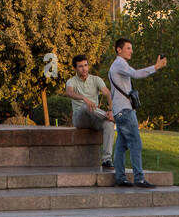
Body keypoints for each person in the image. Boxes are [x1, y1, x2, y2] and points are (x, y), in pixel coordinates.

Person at [107, 38, 166, 188]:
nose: (131, 51)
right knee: (135, 143)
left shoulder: (118, 65)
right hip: (125, 111)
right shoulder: (119, 64)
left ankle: (120, 177)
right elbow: (136, 74)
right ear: (118, 50)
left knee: (121, 145)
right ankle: (139, 178)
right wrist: (156, 67)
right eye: (128, 48)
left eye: (131, 48)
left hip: (119, 110)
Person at [65, 55, 114, 168]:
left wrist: (110, 110)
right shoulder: (71, 81)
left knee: (109, 124)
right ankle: (111, 116)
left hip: (95, 117)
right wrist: (83, 98)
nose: (84, 69)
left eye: (86, 65)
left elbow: (107, 93)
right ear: (75, 68)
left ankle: (106, 160)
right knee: (85, 107)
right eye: (81, 66)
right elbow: (69, 93)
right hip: (80, 118)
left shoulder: (96, 79)